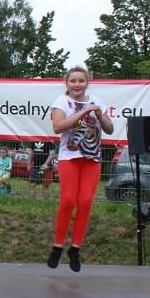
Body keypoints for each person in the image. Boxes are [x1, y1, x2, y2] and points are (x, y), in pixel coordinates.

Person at [47, 66, 113, 271]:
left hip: (91, 160)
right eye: (73, 81)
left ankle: (75, 249)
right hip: (69, 158)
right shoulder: (62, 102)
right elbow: (58, 127)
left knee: (85, 202)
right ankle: (57, 247)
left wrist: (100, 116)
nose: (77, 84)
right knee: (68, 200)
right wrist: (83, 111)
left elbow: (110, 129)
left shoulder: (96, 101)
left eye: (81, 81)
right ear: (66, 83)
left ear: (87, 83)